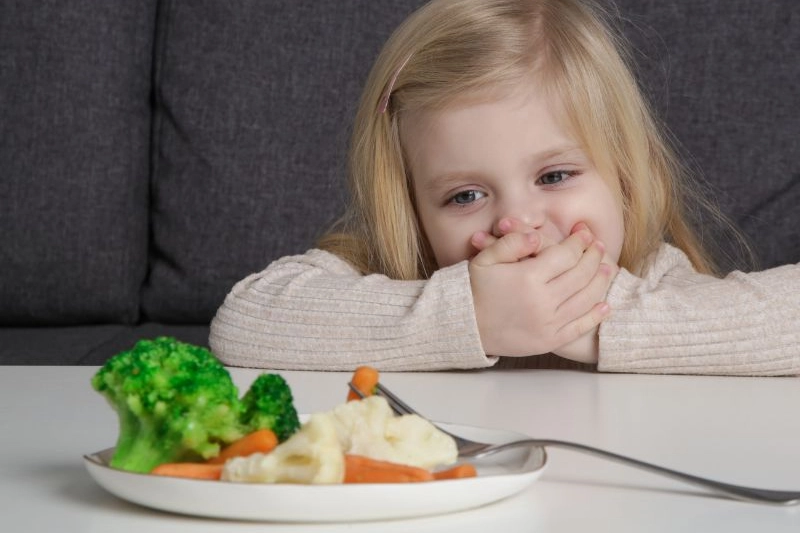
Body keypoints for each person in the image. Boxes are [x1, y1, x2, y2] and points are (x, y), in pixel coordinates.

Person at [209, 0, 799, 375]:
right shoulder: (397, 272)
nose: (516, 223)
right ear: (413, 210)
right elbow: (243, 318)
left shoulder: (653, 278)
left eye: (554, 176)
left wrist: (595, 320)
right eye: (465, 196)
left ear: (623, 174)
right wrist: (471, 316)